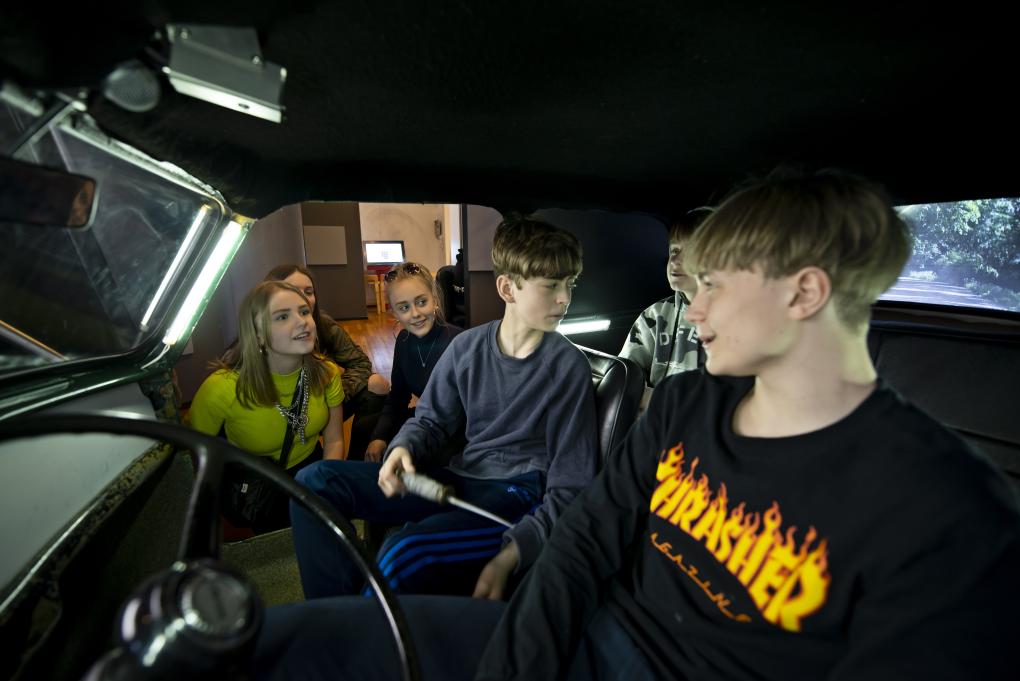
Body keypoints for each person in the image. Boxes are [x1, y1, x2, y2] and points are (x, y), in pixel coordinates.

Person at [255, 170, 1020, 681]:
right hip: (582, 637)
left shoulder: (949, 514)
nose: (692, 307)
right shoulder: (687, 406)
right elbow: (586, 539)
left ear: (804, 292)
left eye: (713, 284)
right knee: (294, 647)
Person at [288, 215, 599, 599]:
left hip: (514, 495)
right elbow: (430, 420)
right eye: (552, 285)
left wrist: (517, 550)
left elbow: (571, 484)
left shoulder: (568, 368)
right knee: (314, 483)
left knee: (403, 554)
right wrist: (403, 447)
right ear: (507, 287)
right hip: (461, 476)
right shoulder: (467, 348)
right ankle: (334, 616)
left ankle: (356, 625)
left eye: (570, 284)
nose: (565, 298)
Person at [189, 280, 345, 533]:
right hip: (260, 484)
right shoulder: (221, 389)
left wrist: (324, 487)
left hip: (312, 469)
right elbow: (194, 458)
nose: (302, 321)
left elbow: (335, 439)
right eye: (282, 316)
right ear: (258, 334)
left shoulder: (327, 372)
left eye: (304, 312)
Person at [265, 264, 389, 460]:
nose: (304, 298)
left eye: (309, 292)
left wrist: (332, 395)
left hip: (320, 404)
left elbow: (360, 363)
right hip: (279, 413)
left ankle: (356, 463)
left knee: (377, 384)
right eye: (293, 291)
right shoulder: (259, 336)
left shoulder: (324, 325)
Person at [363, 261, 463, 463]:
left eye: (421, 302)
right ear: (394, 312)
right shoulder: (404, 341)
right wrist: (379, 436)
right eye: (404, 307)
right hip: (425, 420)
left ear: (434, 299)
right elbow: (398, 398)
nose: (415, 313)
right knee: (365, 429)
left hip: (455, 432)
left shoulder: (459, 343)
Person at [619, 216, 701, 392]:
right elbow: (624, 377)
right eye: (674, 250)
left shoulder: (735, 321)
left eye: (690, 251)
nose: (675, 260)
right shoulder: (655, 315)